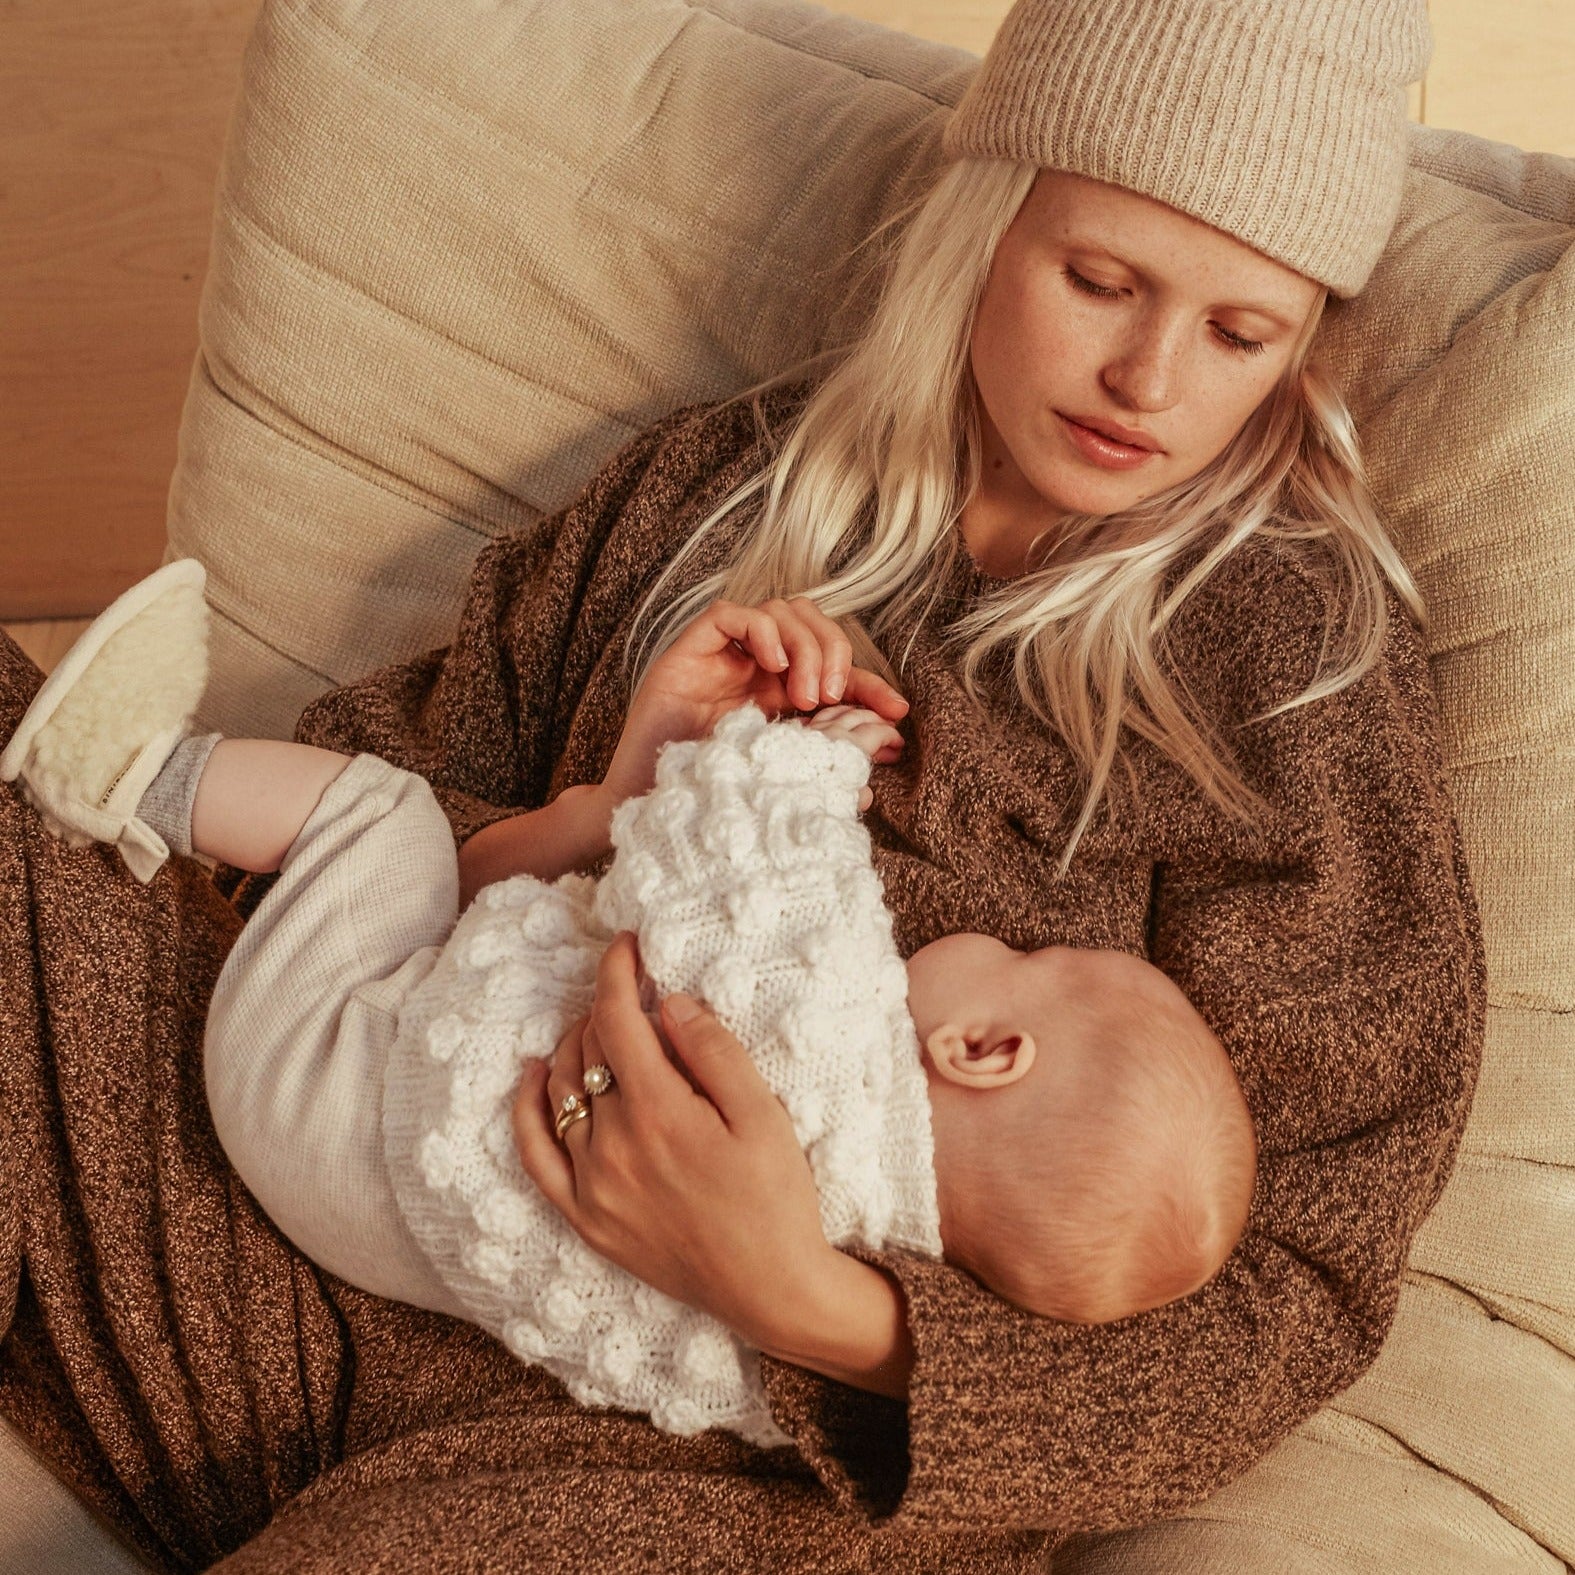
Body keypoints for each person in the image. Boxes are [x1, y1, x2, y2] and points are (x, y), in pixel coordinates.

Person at [0, 0, 1484, 1568]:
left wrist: (800, 1297)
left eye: (1237, 332)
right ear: (983, 227)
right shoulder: (705, 500)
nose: (1144, 376)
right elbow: (337, 849)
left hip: (708, 1468)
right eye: (1098, 279)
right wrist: (598, 804)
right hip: (320, 1217)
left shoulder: (1294, 660)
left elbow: (1297, 1277)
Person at [1, 563, 1256, 1448]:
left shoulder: (832, 1030)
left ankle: (127, 771)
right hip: (386, 1229)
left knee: (376, 816)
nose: (1005, 936)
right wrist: (604, 810)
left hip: (337, 1087)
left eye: (1036, 955)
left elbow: (739, 878)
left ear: (983, 1048)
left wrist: (800, 765)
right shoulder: (875, 1256)